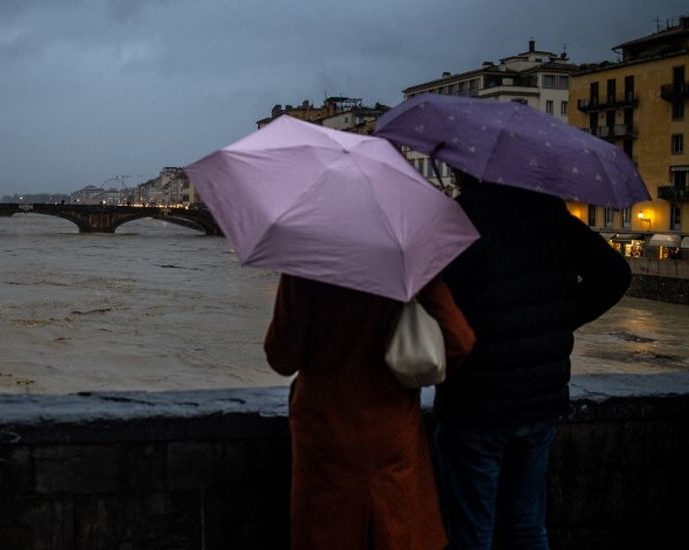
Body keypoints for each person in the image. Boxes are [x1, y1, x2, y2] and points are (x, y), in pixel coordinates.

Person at [435, 175, 631, 550]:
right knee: (527, 527)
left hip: (476, 403)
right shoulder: (550, 214)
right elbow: (616, 274)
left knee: (473, 532)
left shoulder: (461, 219)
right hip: (540, 402)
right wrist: (560, 317)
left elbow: (436, 298)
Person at [264, 274, 474, 550]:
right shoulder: (409, 269)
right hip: (391, 429)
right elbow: (460, 341)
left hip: (326, 432)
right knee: (399, 531)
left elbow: (282, 358)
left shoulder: (307, 270)